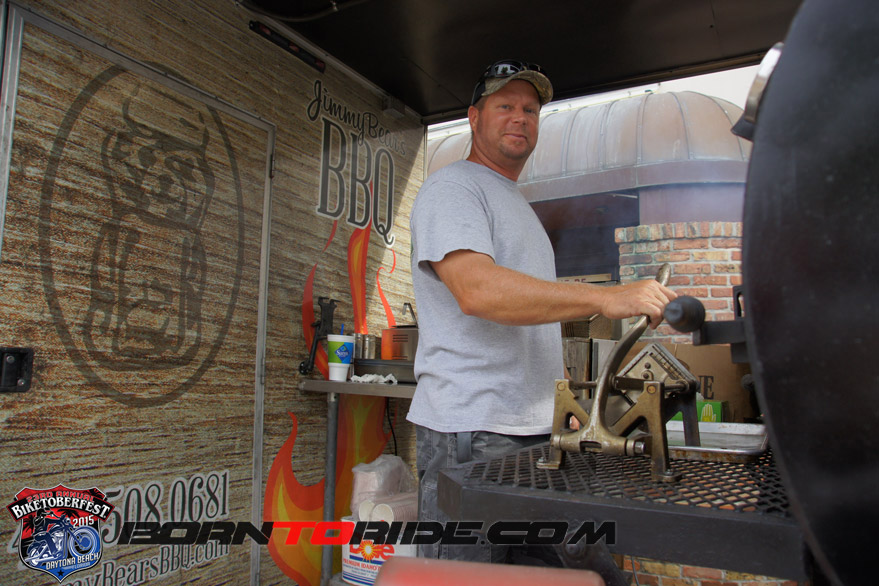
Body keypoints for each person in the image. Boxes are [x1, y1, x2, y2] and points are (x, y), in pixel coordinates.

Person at [407, 59, 676, 563]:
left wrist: (562, 400)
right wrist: (606, 296)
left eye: (530, 110)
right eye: (505, 106)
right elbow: (478, 291)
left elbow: (532, 323)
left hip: (533, 433)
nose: (520, 117)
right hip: (475, 432)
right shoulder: (454, 187)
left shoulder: (518, 205)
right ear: (474, 117)